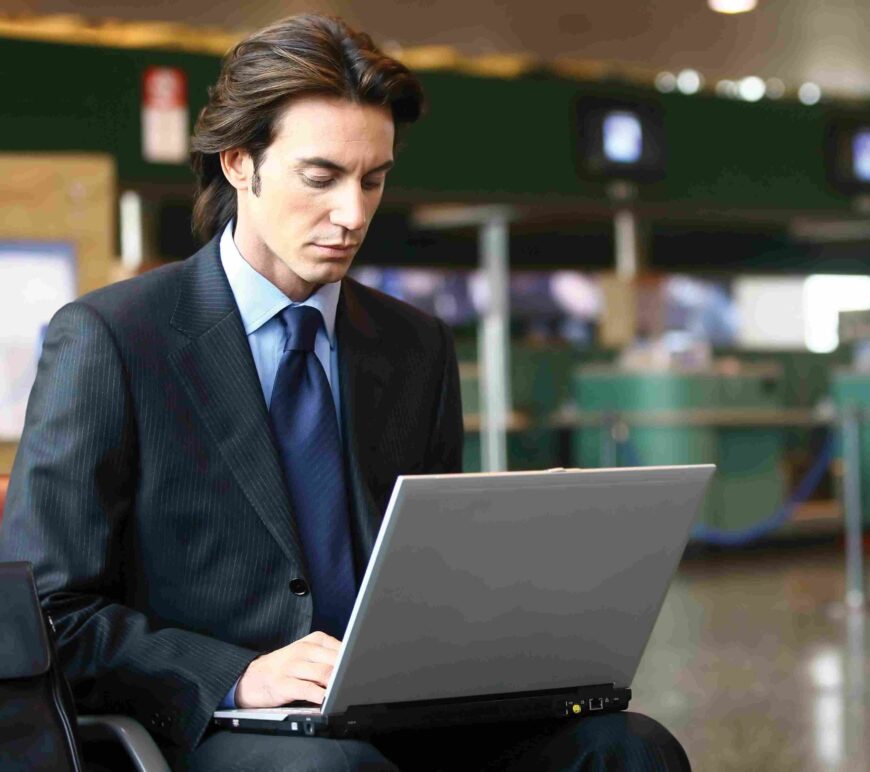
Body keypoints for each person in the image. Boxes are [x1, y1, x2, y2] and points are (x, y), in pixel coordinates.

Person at [0, 14, 690, 771]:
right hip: (217, 725)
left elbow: (435, 572)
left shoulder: (414, 346)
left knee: (629, 749)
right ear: (239, 163)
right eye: (321, 177)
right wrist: (236, 673)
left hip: (406, 707)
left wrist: (525, 569)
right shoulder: (113, 340)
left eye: (374, 179)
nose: (353, 214)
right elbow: (49, 617)